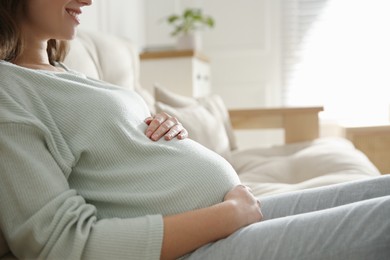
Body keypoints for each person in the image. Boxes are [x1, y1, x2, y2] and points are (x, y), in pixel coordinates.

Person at [0, 0, 388, 259]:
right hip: (199, 244)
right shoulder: (7, 90)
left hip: (229, 215)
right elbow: (63, 244)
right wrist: (228, 216)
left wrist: (157, 125)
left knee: (381, 189)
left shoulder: (61, 73)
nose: (87, 0)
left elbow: (113, 161)